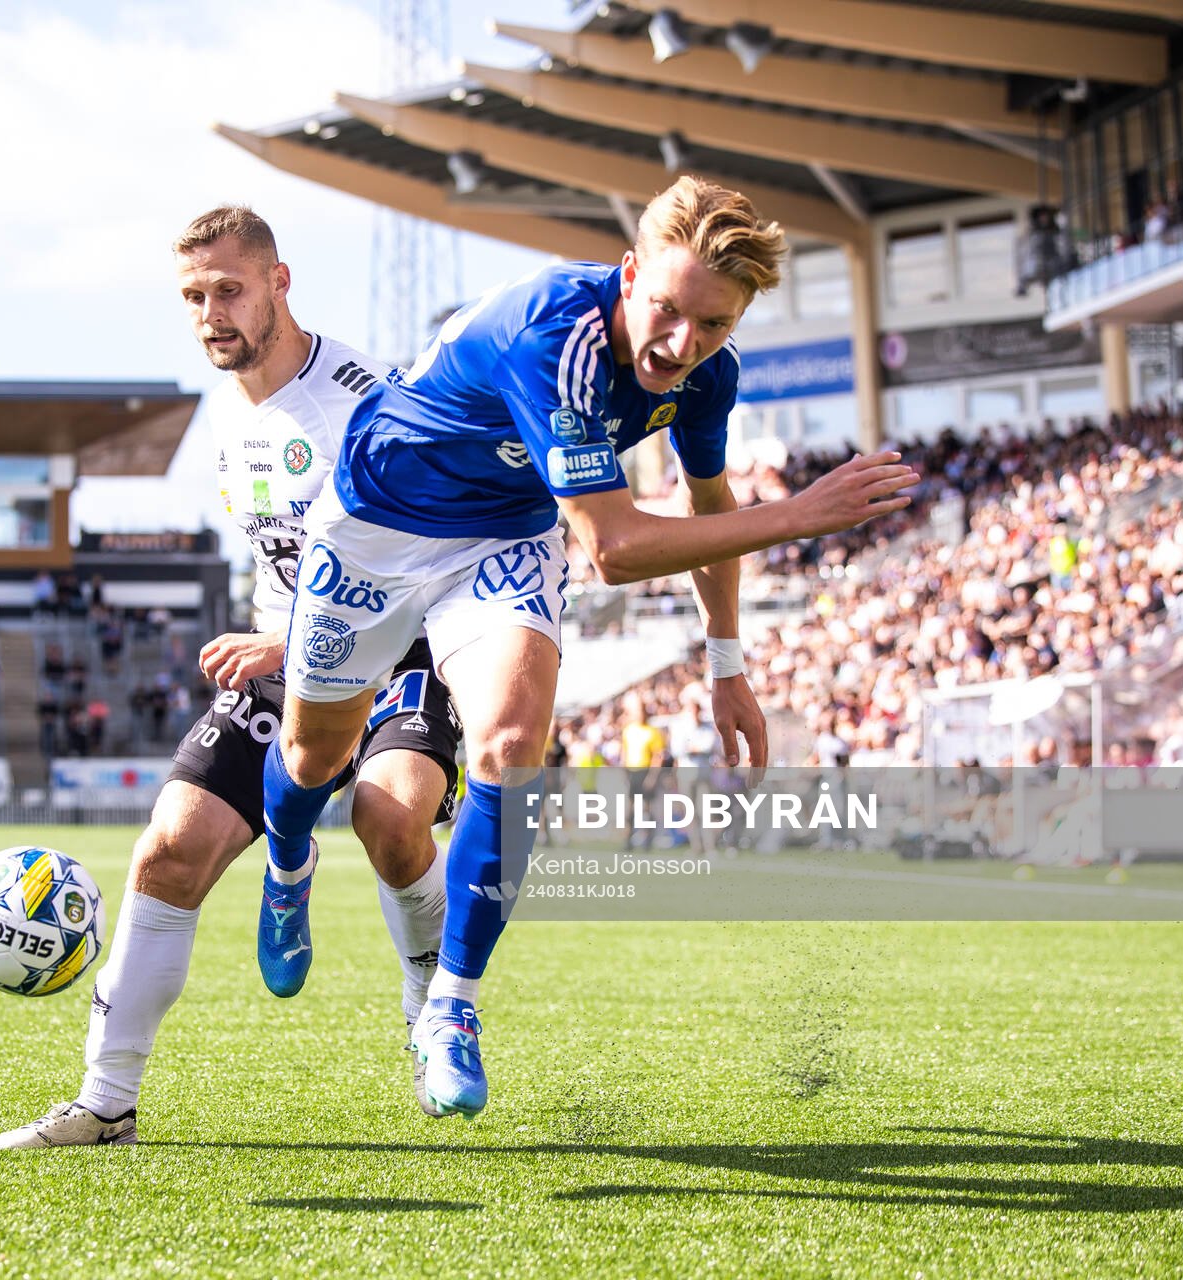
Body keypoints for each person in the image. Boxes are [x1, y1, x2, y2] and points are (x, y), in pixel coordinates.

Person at [260, 176, 920, 1120]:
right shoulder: (554, 332)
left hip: (505, 542)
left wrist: (727, 665)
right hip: (375, 525)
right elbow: (611, 548)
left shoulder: (705, 376)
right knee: (313, 756)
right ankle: (287, 865)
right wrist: (805, 515)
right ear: (628, 272)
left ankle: (450, 1007)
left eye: (714, 326)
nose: (681, 344)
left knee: (511, 745)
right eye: (666, 309)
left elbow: (707, 507)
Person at [0, 205, 463, 1149]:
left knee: (393, 822)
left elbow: (421, 569)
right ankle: (105, 1103)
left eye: (229, 290)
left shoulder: (366, 407)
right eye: (194, 296)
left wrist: (288, 646)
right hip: (286, 660)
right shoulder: (232, 421)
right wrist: (277, 643)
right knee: (167, 849)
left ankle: (428, 998)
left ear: (280, 283)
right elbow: (283, 561)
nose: (211, 312)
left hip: (401, 653)